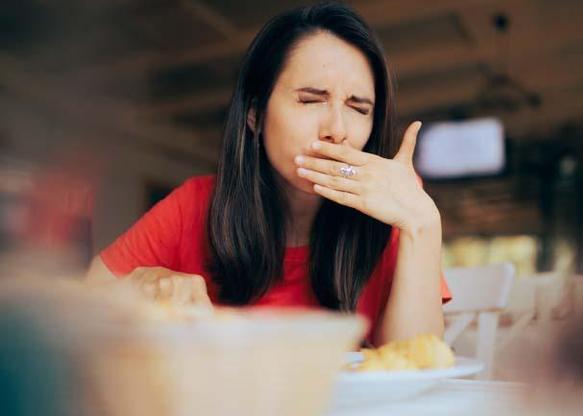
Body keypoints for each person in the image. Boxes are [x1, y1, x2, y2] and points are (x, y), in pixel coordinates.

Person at [86, 2, 450, 346]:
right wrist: (144, 284)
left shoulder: (394, 210)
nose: (337, 130)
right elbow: (85, 301)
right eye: (310, 100)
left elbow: (415, 363)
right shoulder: (195, 205)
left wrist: (421, 224)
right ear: (255, 114)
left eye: (359, 108)